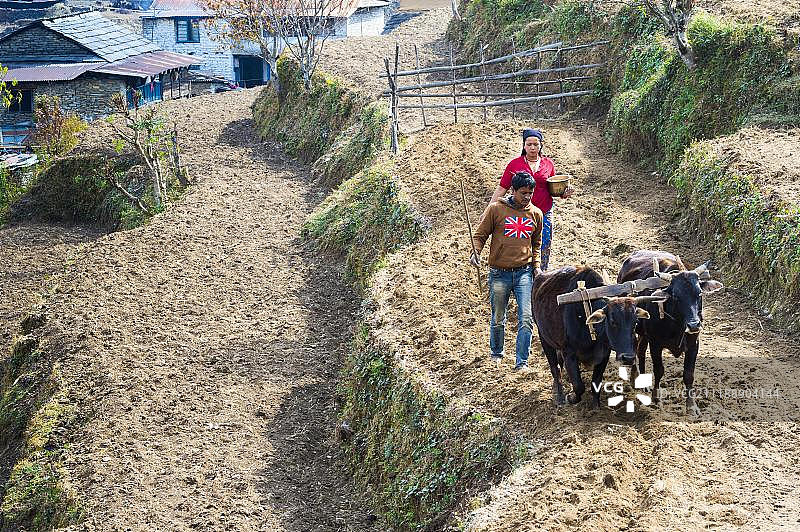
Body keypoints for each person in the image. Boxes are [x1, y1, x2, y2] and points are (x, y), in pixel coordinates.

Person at [470, 171, 543, 371]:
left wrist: (536, 266)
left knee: (526, 317)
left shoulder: (536, 214)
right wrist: (475, 252)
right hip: (499, 273)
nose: (527, 197)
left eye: (530, 193)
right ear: (512, 190)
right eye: (523, 193)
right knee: (498, 317)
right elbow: (480, 235)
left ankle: (522, 361)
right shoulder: (496, 210)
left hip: (524, 273)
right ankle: (496, 353)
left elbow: (536, 244)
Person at [482, 128, 574, 271]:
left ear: (541, 145)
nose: (532, 148)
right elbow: (502, 189)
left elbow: (553, 188)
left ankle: (540, 273)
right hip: (519, 212)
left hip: (543, 212)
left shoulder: (548, 164)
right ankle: (520, 273)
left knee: (543, 244)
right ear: (524, 146)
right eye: (529, 144)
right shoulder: (514, 165)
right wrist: (488, 209)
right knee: (519, 243)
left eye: (536, 144)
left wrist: (564, 194)